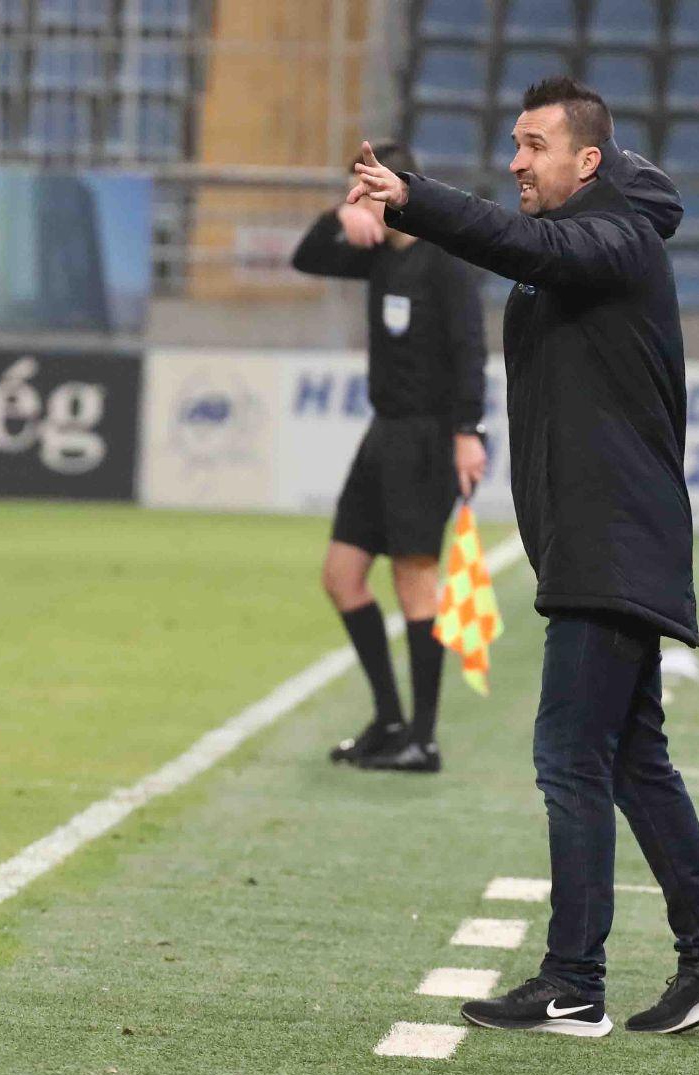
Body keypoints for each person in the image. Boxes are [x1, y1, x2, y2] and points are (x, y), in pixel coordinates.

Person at [349, 77, 699, 1037]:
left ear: (588, 162)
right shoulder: (598, 227)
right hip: (599, 537)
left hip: (611, 539)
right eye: (512, 142)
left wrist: (414, 197)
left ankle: (574, 981)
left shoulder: (615, 240)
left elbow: (525, 243)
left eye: (532, 146)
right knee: (631, 760)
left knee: (571, 756)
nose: (514, 162)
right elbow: (541, 238)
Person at [291, 143, 488, 774]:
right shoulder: (377, 254)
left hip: (430, 436)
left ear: (396, 188)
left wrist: (468, 430)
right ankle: (389, 719)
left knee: (414, 577)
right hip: (384, 434)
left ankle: (422, 740)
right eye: (353, 189)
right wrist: (336, 218)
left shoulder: (443, 262)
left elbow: (471, 350)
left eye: (366, 188)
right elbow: (306, 257)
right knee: (341, 575)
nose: (358, 198)